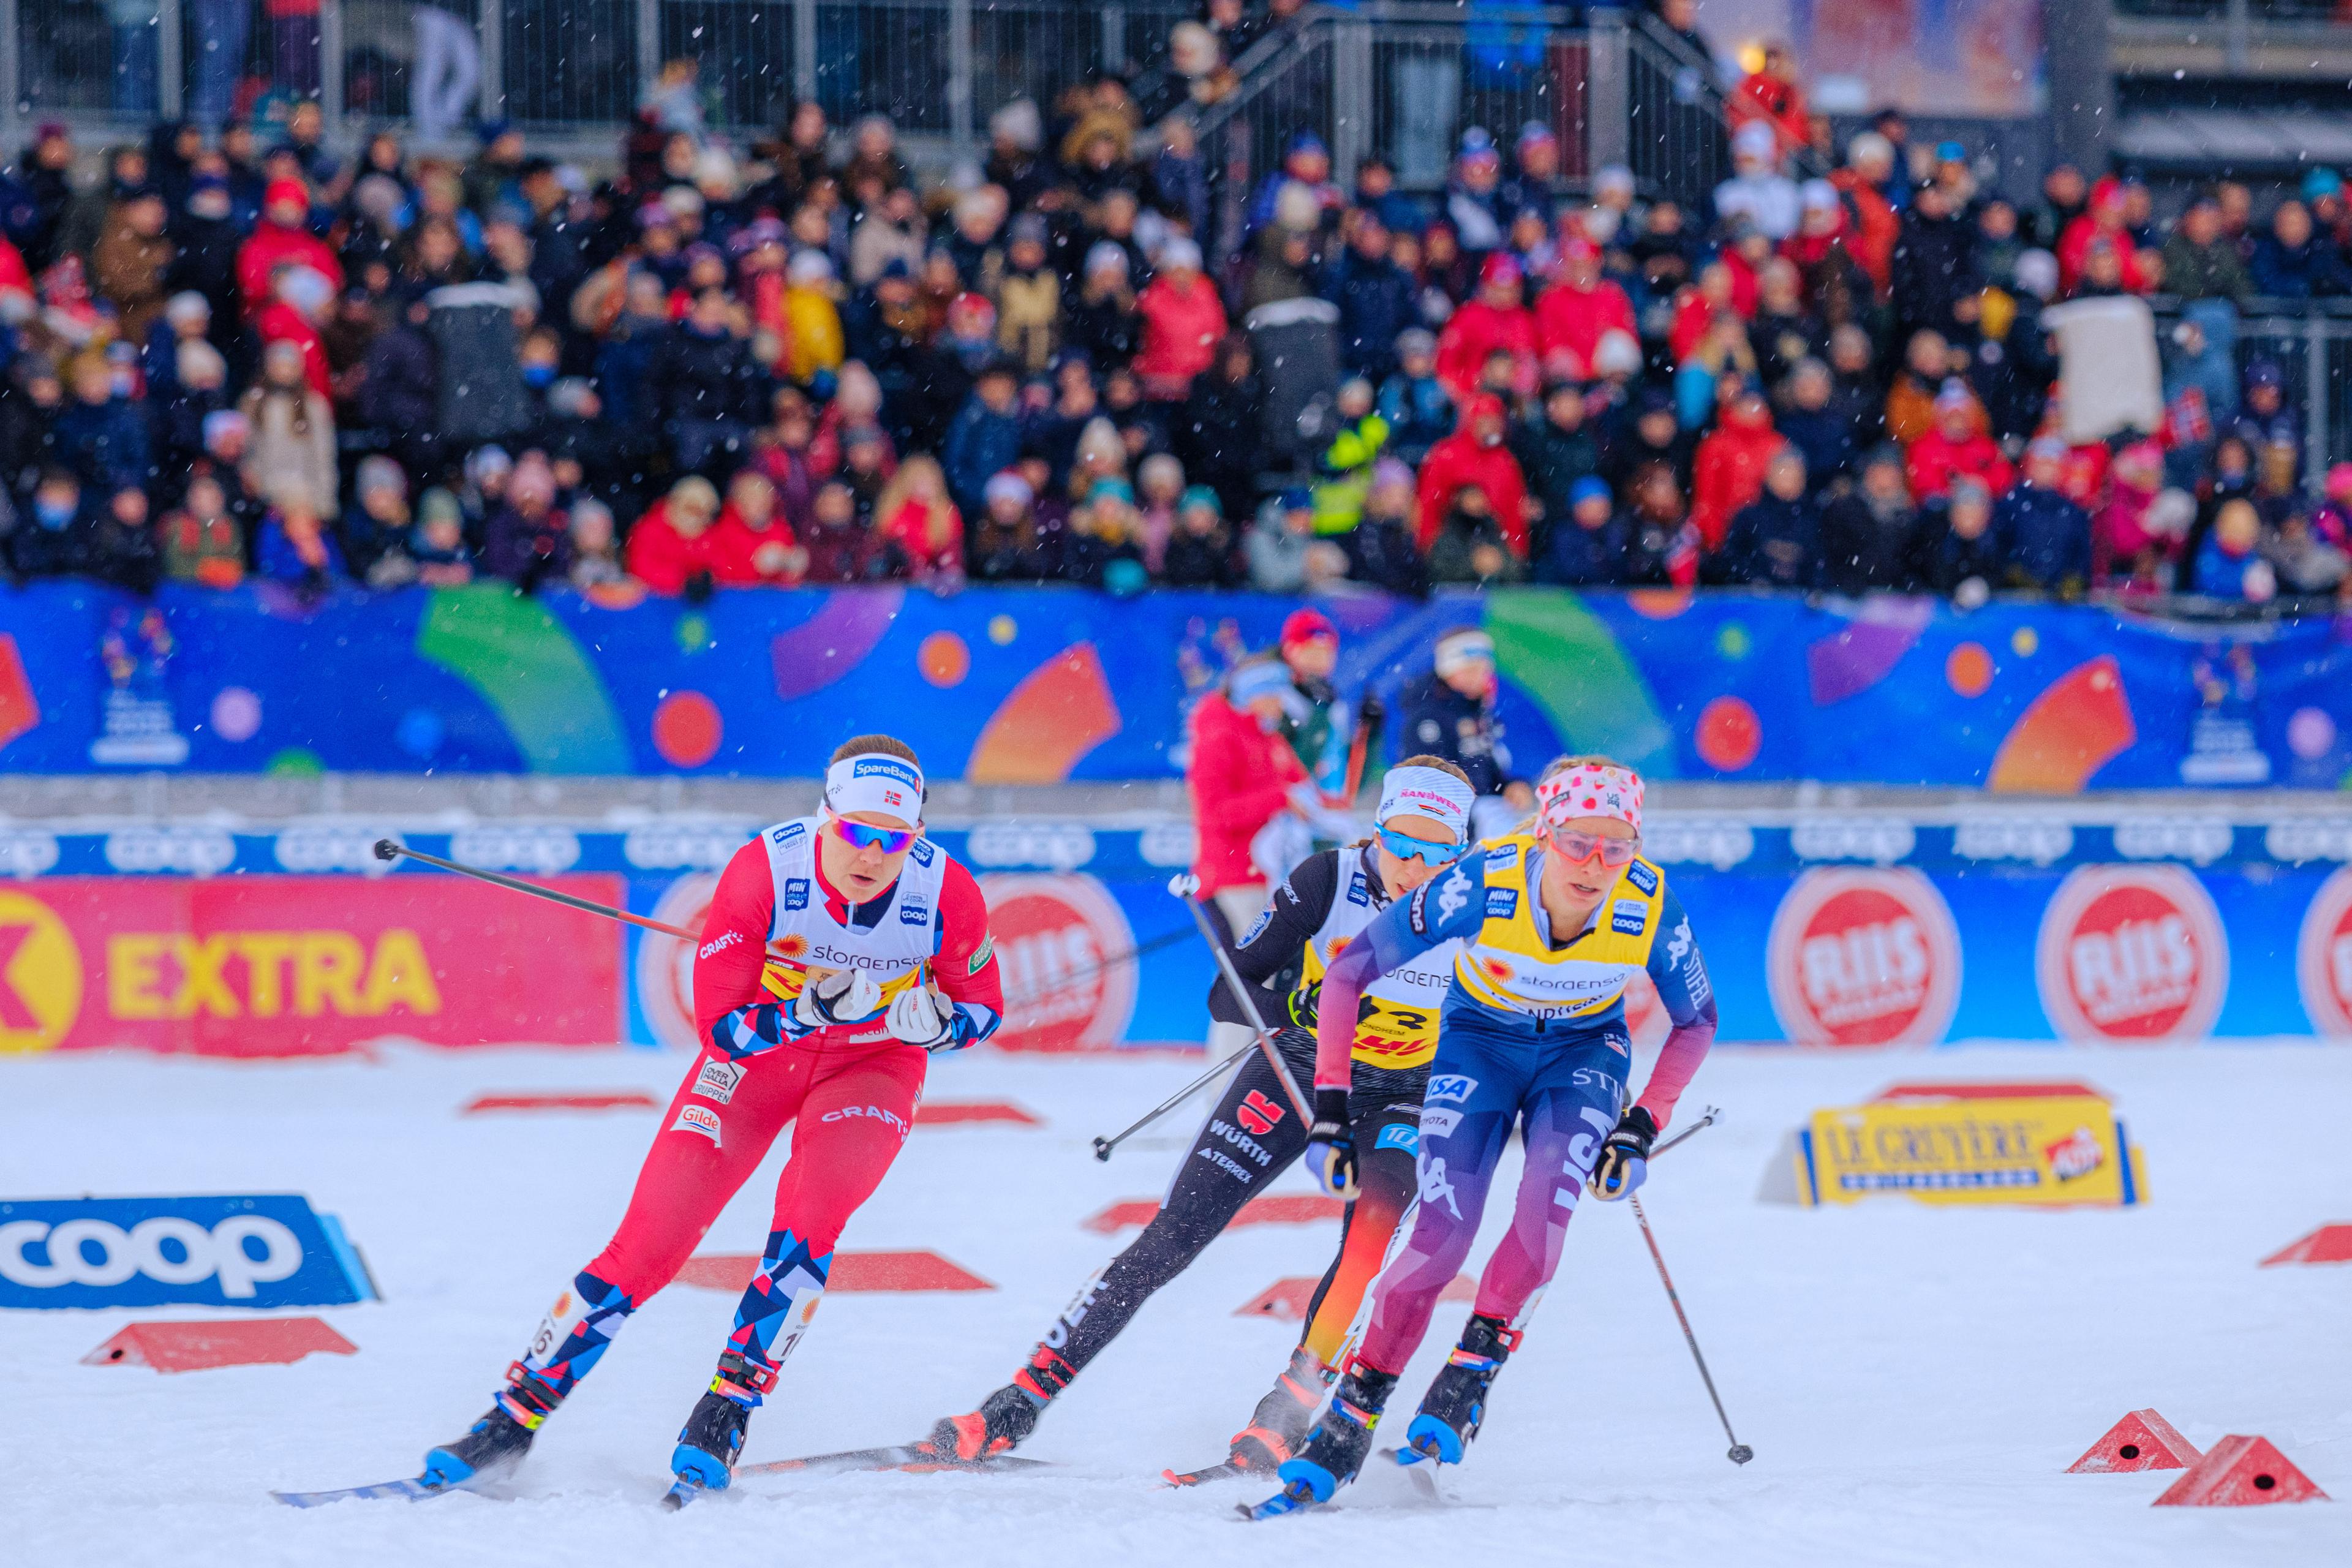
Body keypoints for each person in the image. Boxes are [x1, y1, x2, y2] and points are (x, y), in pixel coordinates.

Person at [419, 738, 1005, 1503]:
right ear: (826, 817)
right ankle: (510, 1420)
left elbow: (985, 1007)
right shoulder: (768, 869)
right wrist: (806, 1008)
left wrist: (941, 1027)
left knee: (808, 1226)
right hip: (757, 1066)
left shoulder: (947, 891)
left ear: (916, 838)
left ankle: (727, 1408)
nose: (872, 853)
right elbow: (721, 1028)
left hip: (874, 1068)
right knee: (647, 1244)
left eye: (893, 839)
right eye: (857, 831)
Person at [921, 762, 1480, 1476]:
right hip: (1301, 1069)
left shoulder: (1482, 903)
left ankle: (1288, 1411)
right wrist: (1296, 1010)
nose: (1418, 868)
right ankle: (1020, 1399)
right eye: (1404, 845)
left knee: (1367, 1244)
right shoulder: (1328, 880)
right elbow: (1228, 991)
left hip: (1406, 1093)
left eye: (1441, 853)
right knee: (1171, 1236)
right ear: (1379, 830)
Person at [1260, 755, 1717, 1509]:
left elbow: (1697, 1021)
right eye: (1576, 843)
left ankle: (1470, 1373)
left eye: (1616, 846)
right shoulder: (1480, 882)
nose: (1596, 865)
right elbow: (1347, 976)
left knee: (1542, 1218)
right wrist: (1333, 1106)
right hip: (1478, 1044)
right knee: (1442, 1234)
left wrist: (1643, 1123)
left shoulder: (1652, 907)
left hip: (1583, 1055)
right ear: (1544, 833)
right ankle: (1355, 1407)